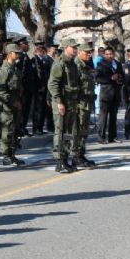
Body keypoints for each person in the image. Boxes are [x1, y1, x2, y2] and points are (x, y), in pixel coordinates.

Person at [48, 38, 81, 172]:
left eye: (75, 47)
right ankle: (59, 160)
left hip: (71, 102)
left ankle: (66, 156)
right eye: (72, 47)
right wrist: (59, 102)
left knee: (69, 132)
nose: (75, 49)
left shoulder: (72, 64)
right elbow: (53, 84)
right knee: (60, 131)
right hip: (61, 102)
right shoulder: (59, 63)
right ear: (66, 47)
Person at [0, 43, 25, 166]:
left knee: (15, 129)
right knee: (7, 130)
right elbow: (0, 90)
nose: (18, 54)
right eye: (16, 52)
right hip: (8, 105)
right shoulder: (5, 70)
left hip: (16, 104)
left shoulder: (15, 69)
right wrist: (12, 102)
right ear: (10, 54)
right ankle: (6, 155)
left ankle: (12, 153)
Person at [73, 43, 97, 168]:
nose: (89, 54)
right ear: (80, 52)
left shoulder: (86, 66)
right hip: (79, 104)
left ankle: (81, 154)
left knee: (84, 131)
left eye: (90, 52)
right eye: (87, 52)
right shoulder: (76, 66)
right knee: (78, 130)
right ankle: (76, 156)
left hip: (86, 103)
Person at [95, 46, 122, 143]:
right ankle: (101, 137)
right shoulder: (101, 64)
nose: (109, 56)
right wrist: (110, 79)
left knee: (113, 117)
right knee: (103, 117)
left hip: (116, 93)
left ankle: (112, 137)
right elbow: (97, 78)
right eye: (107, 54)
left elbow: (122, 76)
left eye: (111, 54)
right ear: (104, 55)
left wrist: (119, 79)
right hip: (106, 94)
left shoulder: (118, 64)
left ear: (113, 54)